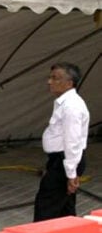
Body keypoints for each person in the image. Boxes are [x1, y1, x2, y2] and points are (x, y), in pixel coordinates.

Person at [33, 62, 89, 222]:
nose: (49, 82)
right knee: (65, 206)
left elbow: (73, 141)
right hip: (62, 160)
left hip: (65, 160)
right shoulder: (64, 103)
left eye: (55, 78)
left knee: (47, 205)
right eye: (50, 77)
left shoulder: (72, 107)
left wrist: (71, 173)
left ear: (69, 83)